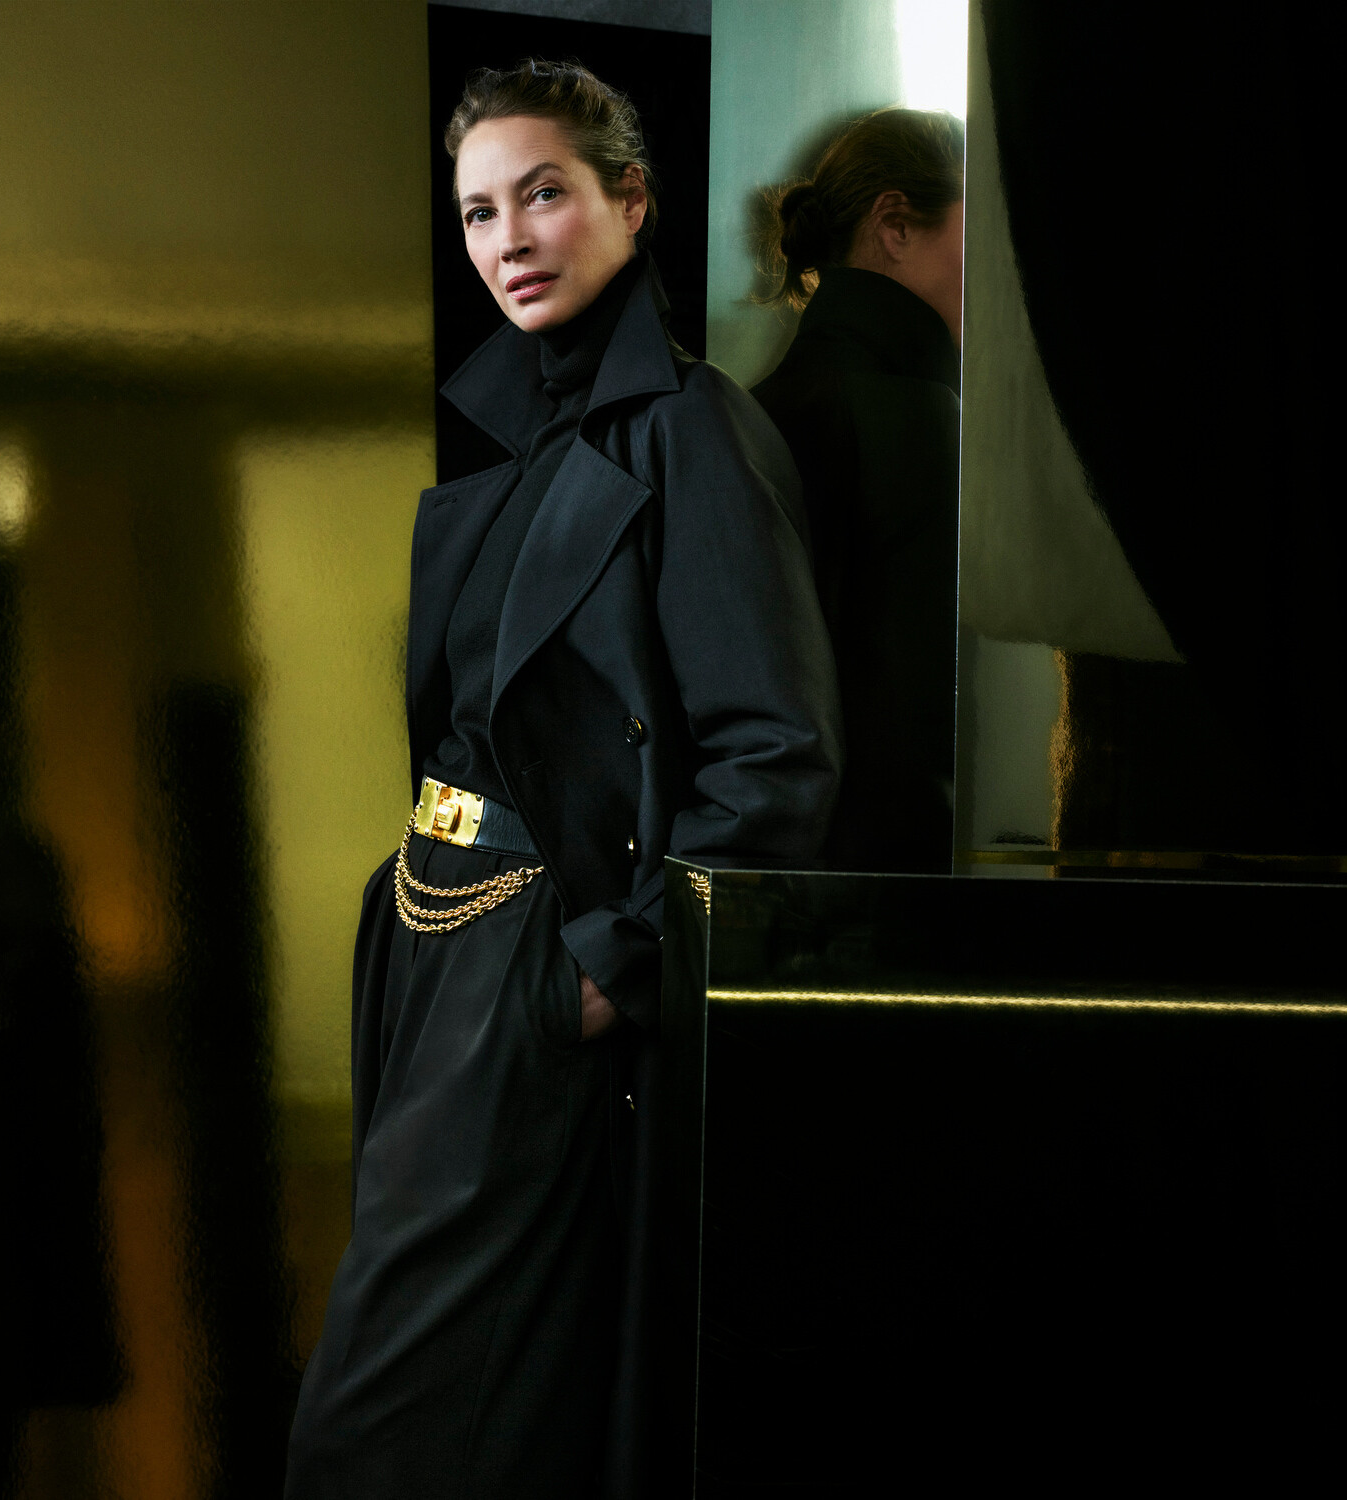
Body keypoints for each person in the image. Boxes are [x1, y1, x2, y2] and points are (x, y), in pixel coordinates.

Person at [284, 58, 840, 1500]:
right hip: (426, 946)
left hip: (538, 965)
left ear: (631, 202)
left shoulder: (693, 428)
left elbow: (776, 754)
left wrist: (611, 965)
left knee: (386, 1430)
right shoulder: (519, 450)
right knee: (470, 1415)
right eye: (479, 213)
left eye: (543, 194)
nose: (509, 239)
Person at [751, 108, 964, 874]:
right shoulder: (920, 421)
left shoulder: (749, 411)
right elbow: (915, 737)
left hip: (764, 880)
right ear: (895, 224)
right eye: (976, 234)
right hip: (882, 898)